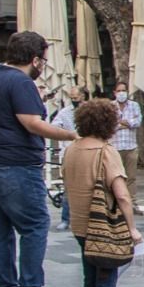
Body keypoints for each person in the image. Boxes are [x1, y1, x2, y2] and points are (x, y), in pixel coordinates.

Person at [0, 32, 75, 287]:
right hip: (14, 165)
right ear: (34, 59)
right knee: (35, 224)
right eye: (43, 60)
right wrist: (72, 136)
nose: (43, 66)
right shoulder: (21, 81)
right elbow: (32, 123)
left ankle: (5, 286)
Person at [61, 98, 141, 287]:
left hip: (80, 224)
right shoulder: (106, 152)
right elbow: (122, 195)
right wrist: (132, 229)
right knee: (105, 282)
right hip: (103, 226)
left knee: (90, 282)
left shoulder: (72, 149)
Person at [51, 87, 84, 230]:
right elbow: (54, 127)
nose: (73, 100)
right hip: (69, 153)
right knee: (68, 187)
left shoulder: (91, 110)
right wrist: (67, 134)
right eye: (71, 97)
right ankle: (66, 219)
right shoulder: (65, 112)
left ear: (82, 96)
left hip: (87, 152)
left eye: (76, 97)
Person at [111, 81, 143, 188]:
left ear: (127, 92)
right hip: (115, 148)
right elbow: (110, 125)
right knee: (116, 177)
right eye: (119, 91)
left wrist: (121, 122)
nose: (121, 93)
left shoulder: (134, 105)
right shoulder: (110, 106)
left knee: (131, 177)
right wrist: (127, 124)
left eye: (123, 90)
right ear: (114, 92)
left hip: (131, 147)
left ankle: (132, 201)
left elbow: (138, 122)